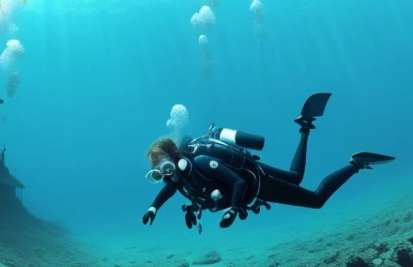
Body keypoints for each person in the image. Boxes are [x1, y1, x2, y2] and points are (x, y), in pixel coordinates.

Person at [142, 93, 394, 230]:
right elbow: (169, 190)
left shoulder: (202, 162)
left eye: (164, 167)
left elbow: (238, 182)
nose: (164, 175)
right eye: (157, 173)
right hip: (254, 172)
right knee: (295, 177)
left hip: (257, 184)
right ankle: (305, 127)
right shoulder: (179, 178)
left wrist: (235, 209)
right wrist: (153, 207)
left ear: (175, 158)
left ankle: (355, 163)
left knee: (316, 200)